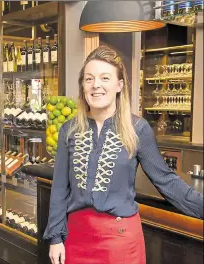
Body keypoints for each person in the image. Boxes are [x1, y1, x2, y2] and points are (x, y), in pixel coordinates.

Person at [43, 45, 203, 264]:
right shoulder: (69, 130)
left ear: (119, 85)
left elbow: (166, 180)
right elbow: (60, 187)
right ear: (82, 85)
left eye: (104, 78)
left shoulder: (138, 128)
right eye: (89, 79)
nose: (96, 85)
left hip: (121, 242)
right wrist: (55, 237)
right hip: (76, 238)